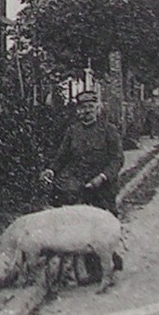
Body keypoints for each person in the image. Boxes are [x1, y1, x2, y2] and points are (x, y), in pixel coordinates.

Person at [42, 89, 125, 283]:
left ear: (97, 108)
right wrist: (51, 170)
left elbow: (117, 159)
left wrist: (103, 177)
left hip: (103, 188)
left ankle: (109, 258)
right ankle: (94, 270)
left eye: (90, 107)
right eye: (82, 108)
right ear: (77, 111)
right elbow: (62, 156)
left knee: (105, 225)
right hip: (80, 186)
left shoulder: (109, 130)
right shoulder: (73, 131)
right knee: (84, 229)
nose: (86, 111)